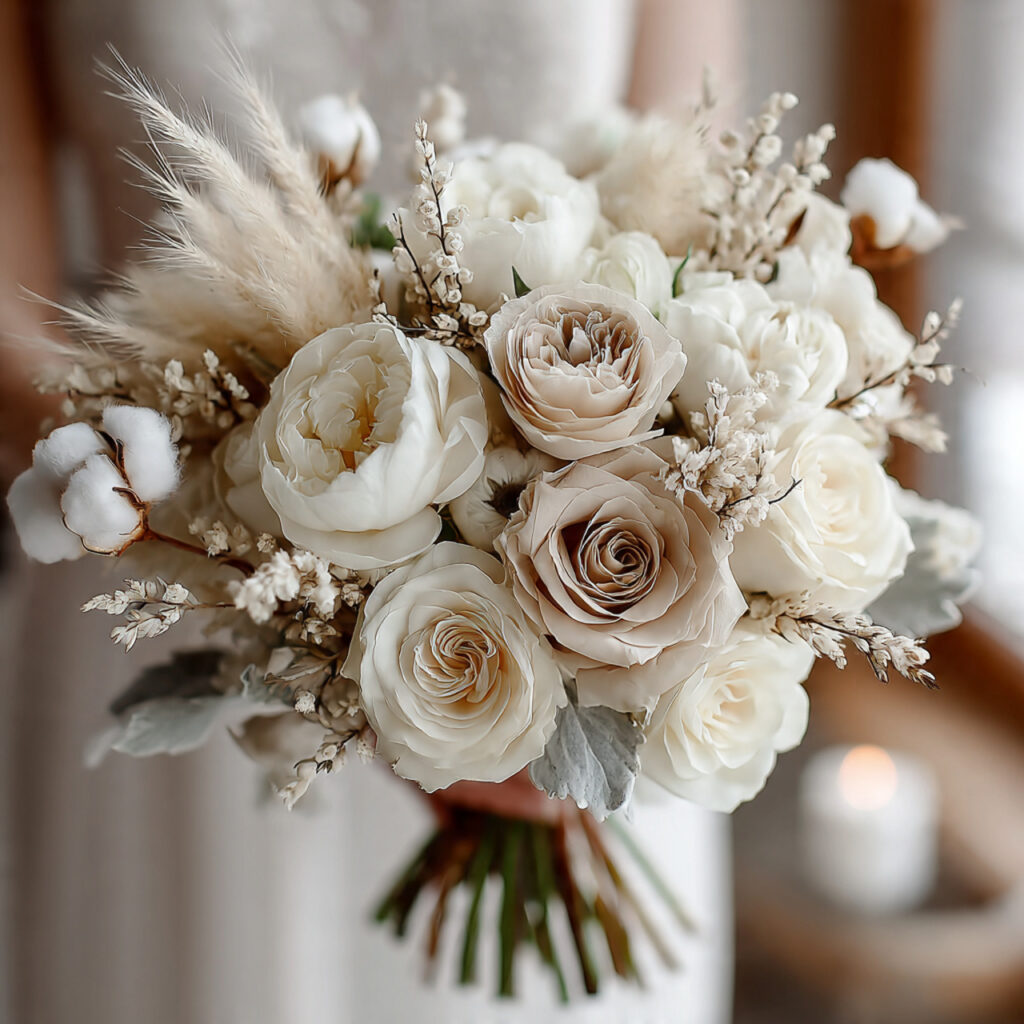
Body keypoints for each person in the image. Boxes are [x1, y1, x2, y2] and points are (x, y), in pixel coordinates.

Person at [0, 2, 739, 1021]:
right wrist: (273, 534)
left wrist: (522, 624)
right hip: (172, 567)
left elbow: (705, 221)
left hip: (569, 595)